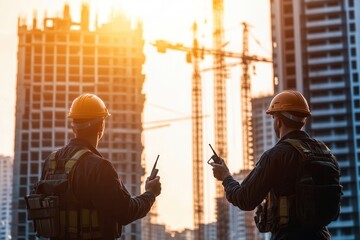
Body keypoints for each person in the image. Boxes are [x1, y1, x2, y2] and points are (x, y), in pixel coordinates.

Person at [210, 90, 340, 240]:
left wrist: (226, 177)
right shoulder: (325, 152)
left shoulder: (276, 156)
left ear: (278, 121)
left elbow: (245, 198)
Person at [40, 93, 161, 239]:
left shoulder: (51, 162)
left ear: (73, 127)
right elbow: (125, 212)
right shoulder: (99, 168)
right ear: (101, 126)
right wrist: (150, 193)